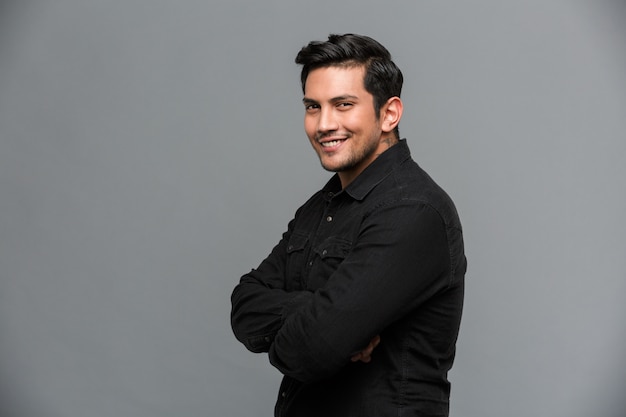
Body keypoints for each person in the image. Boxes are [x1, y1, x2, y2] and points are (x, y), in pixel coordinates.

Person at [231, 33, 466, 417]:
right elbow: (244, 305)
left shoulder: (414, 210)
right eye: (312, 107)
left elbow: (313, 349)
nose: (324, 124)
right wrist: (315, 310)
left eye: (343, 105)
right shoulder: (319, 206)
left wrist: (321, 327)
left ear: (389, 113)